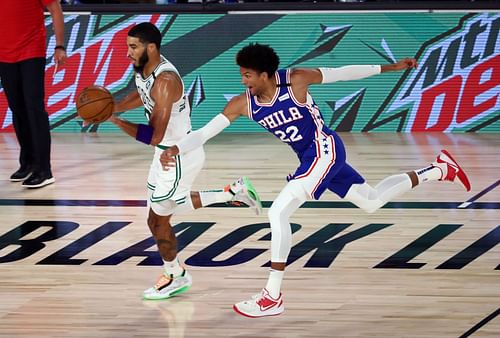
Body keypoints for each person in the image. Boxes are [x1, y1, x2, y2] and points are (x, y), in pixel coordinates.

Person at [159, 42, 471, 317]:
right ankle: (439, 169)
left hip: (326, 149)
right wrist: (176, 147)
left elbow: (344, 72)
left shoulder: (296, 80)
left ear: (265, 75)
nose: (244, 81)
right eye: (242, 75)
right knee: (372, 201)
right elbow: (203, 134)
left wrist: (391, 67)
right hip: (311, 159)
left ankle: (272, 296)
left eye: (248, 75)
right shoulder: (243, 104)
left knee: (278, 211)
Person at [107, 23, 262, 300]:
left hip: (177, 155)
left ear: (150, 47)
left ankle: (175, 275)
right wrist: (115, 105)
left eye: (133, 47)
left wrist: (116, 121)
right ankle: (232, 193)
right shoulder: (145, 69)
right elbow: (142, 95)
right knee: (155, 218)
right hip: (165, 153)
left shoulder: (165, 82)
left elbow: (154, 135)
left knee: (161, 218)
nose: (128, 53)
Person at [0, 0, 67, 188]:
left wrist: (59, 46)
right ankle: (28, 163)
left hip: (31, 50)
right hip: (4, 53)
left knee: (34, 108)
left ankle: (44, 170)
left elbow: (55, 9)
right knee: (17, 108)